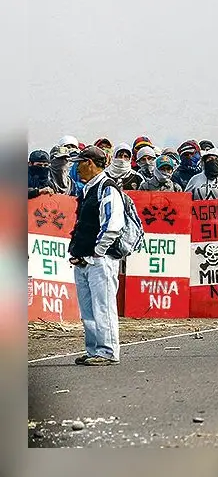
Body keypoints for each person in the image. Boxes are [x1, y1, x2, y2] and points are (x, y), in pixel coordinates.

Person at [66, 147, 124, 365]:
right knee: (88, 309)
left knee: (103, 306)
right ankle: (94, 350)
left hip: (100, 260)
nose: (76, 167)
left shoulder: (107, 188)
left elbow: (112, 225)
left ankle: (107, 351)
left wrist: (97, 252)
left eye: (79, 162)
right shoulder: (89, 189)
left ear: (89, 163)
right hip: (85, 259)